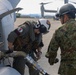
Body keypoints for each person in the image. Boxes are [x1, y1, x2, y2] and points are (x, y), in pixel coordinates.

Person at [45, 3, 76, 75]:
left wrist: (52, 60)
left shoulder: (60, 31)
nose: (60, 19)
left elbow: (52, 51)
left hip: (67, 69)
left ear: (65, 17)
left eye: (60, 17)